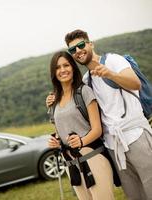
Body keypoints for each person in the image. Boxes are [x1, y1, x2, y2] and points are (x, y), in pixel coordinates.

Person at [47, 29, 152, 200]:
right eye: (73, 50)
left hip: (136, 135)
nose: (78, 51)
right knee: (134, 194)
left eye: (81, 45)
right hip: (113, 145)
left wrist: (110, 73)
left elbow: (135, 84)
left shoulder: (113, 60)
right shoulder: (87, 80)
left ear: (90, 44)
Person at [47, 51, 117, 200]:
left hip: (92, 157)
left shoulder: (84, 91)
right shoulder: (54, 101)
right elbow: (60, 131)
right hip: (71, 164)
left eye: (66, 65)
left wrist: (81, 141)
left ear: (73, 67)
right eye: (58, 67)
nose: (63, 70)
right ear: (54, 72)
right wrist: (56, 141)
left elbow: (97, 129)